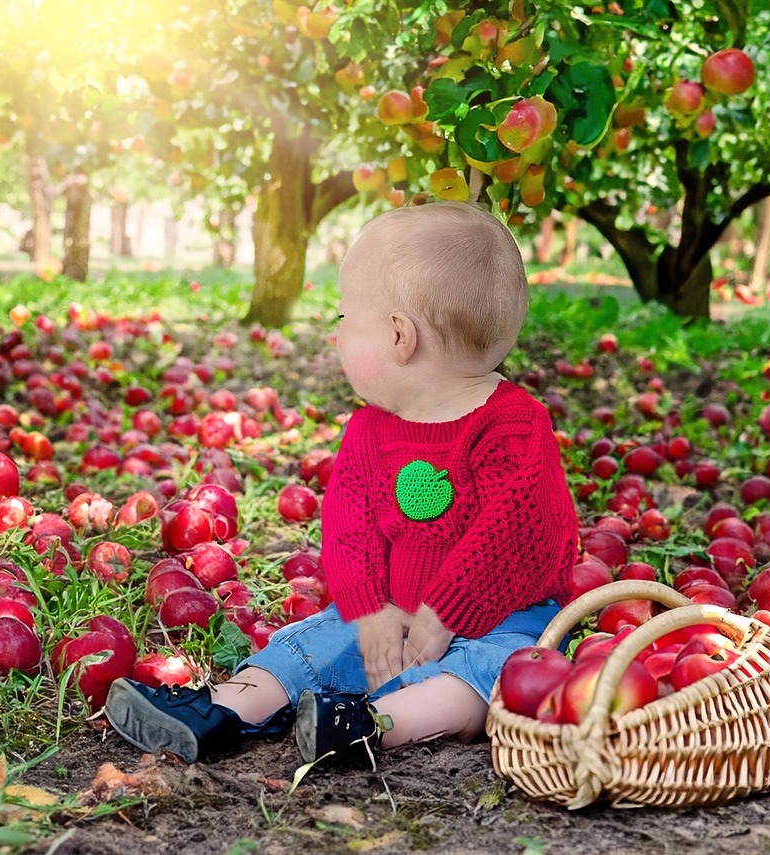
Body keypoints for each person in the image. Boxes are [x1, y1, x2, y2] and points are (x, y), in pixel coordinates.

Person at [105, 201, 578, 766]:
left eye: (344, 320)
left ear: (400, 337)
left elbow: (513, 530)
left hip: (502, 619)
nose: (337, 336)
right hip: (395, 613)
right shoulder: (370, 431)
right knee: (313, 642)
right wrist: (372, 611)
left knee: (491, 675)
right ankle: (223, 709)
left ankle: (371, 726)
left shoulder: (513, 424)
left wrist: (443, 614)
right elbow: (348, 532)